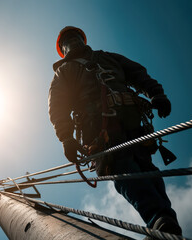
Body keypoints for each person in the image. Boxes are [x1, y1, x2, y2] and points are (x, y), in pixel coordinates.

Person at [48, 26, 182, 236]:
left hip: (132, 119)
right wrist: (66, 137)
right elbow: (58, 105)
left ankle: (166, 222)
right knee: (122, 167)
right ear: (62, 49)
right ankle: (159, 219)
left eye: (75, 37)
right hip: (99, 129)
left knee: (146, 168)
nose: (72, 41)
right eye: (67, 40)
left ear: (83, 40)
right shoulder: (64, 72)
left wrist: (156, 93)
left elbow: (137, 73)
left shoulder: (107, 58)